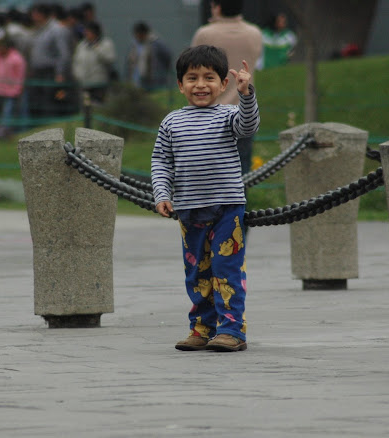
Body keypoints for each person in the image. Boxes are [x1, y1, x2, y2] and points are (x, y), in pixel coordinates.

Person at [150, 45, 260, 352]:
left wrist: (246, 94)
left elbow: (248, 126)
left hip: (227, 208)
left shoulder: (228, 115)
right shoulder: (171, 122)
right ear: (180, 84)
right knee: (197, 272)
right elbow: (161, 161)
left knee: (226, 269)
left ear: (223, 83)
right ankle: (201, 328)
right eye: (192, 78)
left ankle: (231, 330)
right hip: (189, 210)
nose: (200, 85)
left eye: (209, 78)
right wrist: (162, 193)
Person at [191, 0, 262, 177]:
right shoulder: (254, 33)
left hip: (209, 113)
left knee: (208, 174)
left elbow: (192, 66)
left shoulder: (205, 34)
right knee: (242, 173)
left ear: (218, 7)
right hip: (244, 111)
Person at [27, 3, 71, 118]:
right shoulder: (37, 29)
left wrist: (60, 73)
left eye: (35, 14)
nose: (32, 17)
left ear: (42, 14)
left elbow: (64, 54)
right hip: (37, 71)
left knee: (49, 103)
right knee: (36, 102)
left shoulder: (57, 29)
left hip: (50, 71)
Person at [0, 29, 27, 138]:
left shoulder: (16, 58)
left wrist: (17, 90)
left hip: (10, 92)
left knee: (7, 115)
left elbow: (20, 76)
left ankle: (2, 135)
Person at [72, 21, 116, 104]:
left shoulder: (106, 43)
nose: (86, 34)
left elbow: (110, 60)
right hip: (83, 83)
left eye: (88, 32)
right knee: (85, 106)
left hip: (98, 84)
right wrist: (76, 74)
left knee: (97, 106)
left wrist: (97, 48)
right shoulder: (82, 45)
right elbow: (76, 61)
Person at [125, 21, 172, 91]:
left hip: (153, 80)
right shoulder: (134, 46)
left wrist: (162, 71)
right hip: (137, 79)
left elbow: (167, 57)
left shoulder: (156, 44)